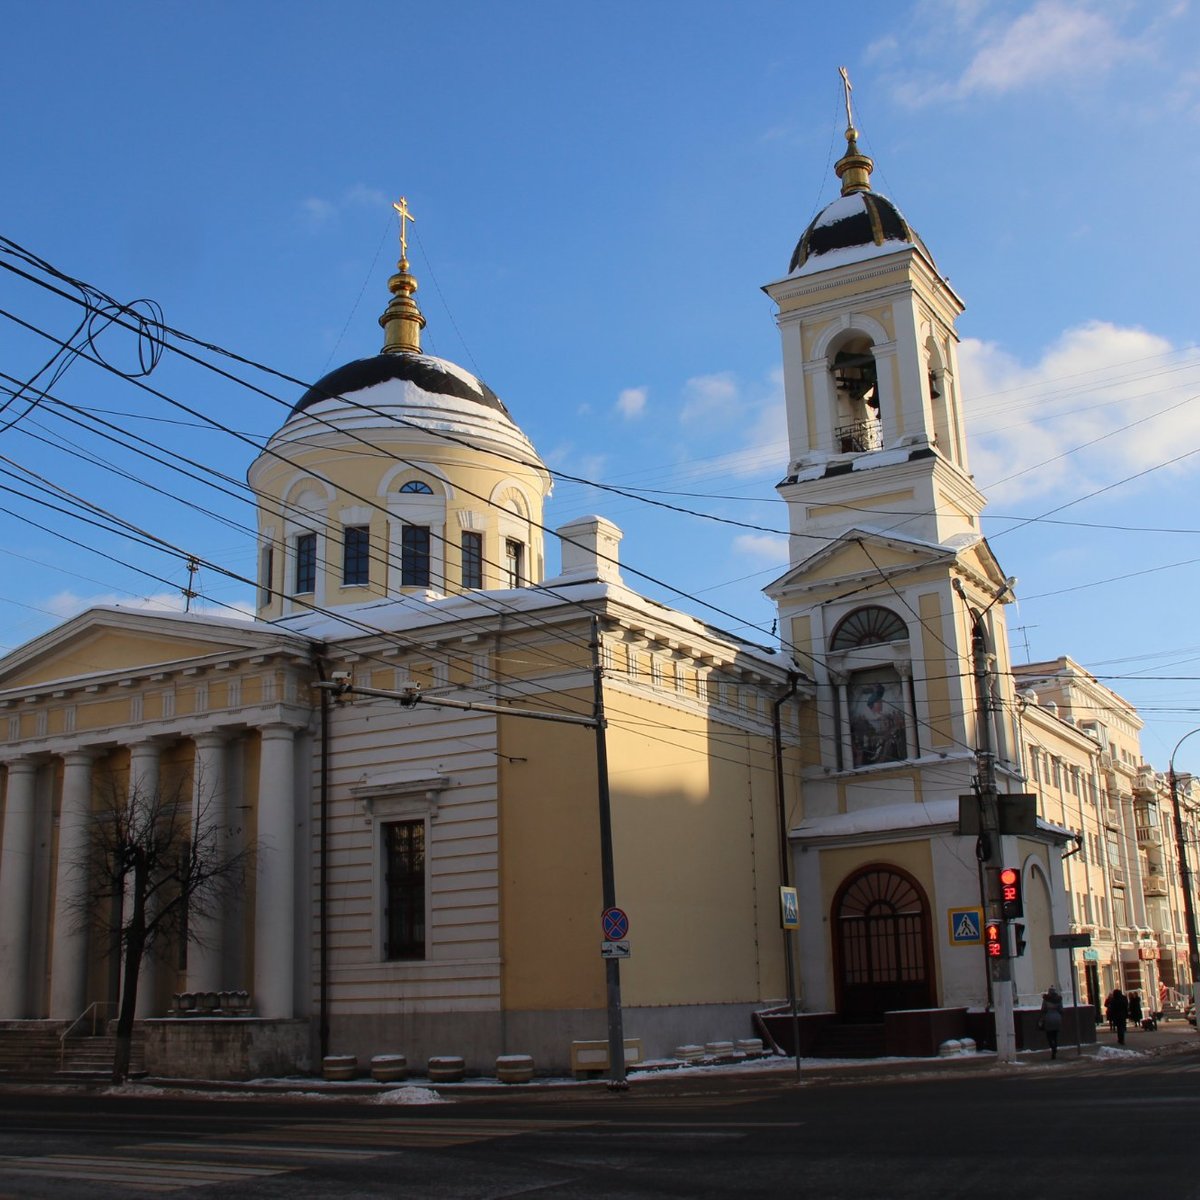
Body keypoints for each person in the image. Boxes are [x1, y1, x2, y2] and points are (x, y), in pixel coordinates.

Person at [1040, 985, 1065, 1059]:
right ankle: (1055, 1046)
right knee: (1055, 1035)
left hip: (1048, 1018)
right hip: (1057, 1018)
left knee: (1049, 1035)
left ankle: (1052, 1046)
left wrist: (1042, 1018)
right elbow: (1061, 1010)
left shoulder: (1046, 999)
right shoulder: (1058, 999)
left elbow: (1043, 1009)